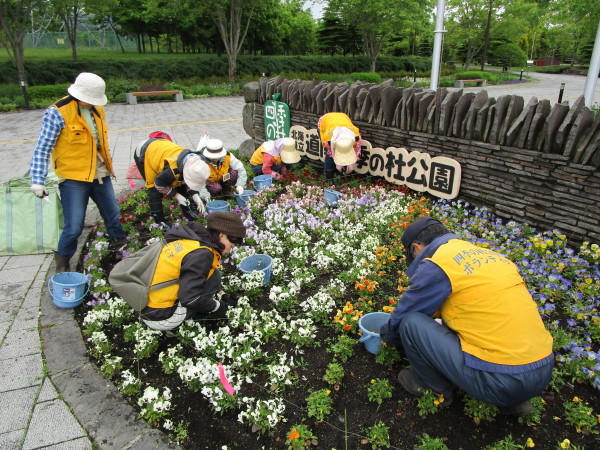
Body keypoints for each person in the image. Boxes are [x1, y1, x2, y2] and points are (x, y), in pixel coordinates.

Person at [380, 216, 554, 416]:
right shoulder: (491, 256)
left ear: (417, 248)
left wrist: (386, 339)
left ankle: (434, 389)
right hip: (543, 367)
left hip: (501, 381)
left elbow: (407, 312)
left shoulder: (438, 264)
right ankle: (516, 399)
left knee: (411, 324)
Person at [29, 72, 127, 273]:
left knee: (113, 215)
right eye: (89, 100)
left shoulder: (98, 110)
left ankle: (120, 250)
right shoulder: (57, 112)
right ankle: (63, 261)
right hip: (73, 177)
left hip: (100, 172)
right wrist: (37, 180)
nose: (92, 103)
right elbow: (42, 148)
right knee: (73, 226)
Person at [141, 212, 246, 331]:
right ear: (221, 235)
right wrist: (217, 307)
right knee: (211, 279)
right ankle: (179, 325)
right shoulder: (202, 254)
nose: (229, 251)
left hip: (147, 304)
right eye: (231, 246)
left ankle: (204, 304)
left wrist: (222, 294)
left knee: (213, 273)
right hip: (162, 317)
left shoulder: (192, 239)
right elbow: (190, 299)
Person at [133, 131, 210, 225]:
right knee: (154, 190)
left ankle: (187, 210)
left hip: (163, 149)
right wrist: (177, 195)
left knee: (180, 181)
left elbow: (188, 179)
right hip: (145, 152)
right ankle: (159, 220)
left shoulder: (196, 160)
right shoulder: (172, 171)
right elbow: (159, 184)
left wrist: (195, 194)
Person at [318, 112, 362, 182]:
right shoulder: (328, 140)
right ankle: (329, 179)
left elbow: (357, 151)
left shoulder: (356, 137)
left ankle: (342, 176)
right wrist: (338, 164)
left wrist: (351, 164)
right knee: (329, 157)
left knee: (344, 152)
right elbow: (331, 154)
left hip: (343, 117)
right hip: (326, 120)